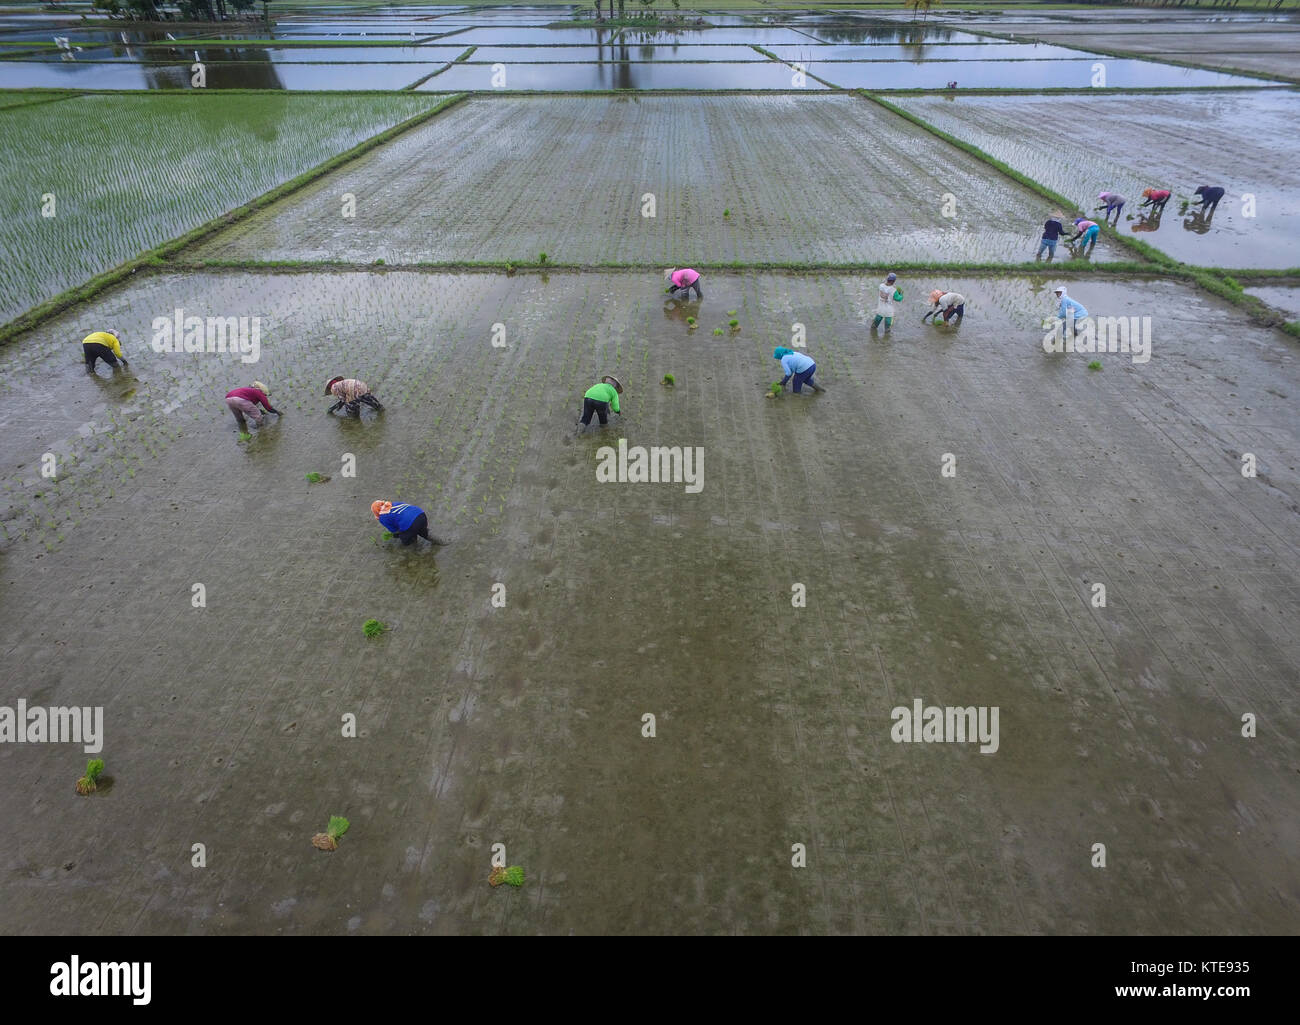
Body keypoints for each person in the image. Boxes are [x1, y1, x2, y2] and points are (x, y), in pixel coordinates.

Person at [372, 500, 442, 546]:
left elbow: (395, 531)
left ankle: (414, 551)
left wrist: (394, 535)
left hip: (411, 523)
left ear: (376, 512)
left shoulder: (382, 517)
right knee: (423, 531)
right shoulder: (393, 503)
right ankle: (441, 542)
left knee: (405, 539)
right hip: (420, 514)